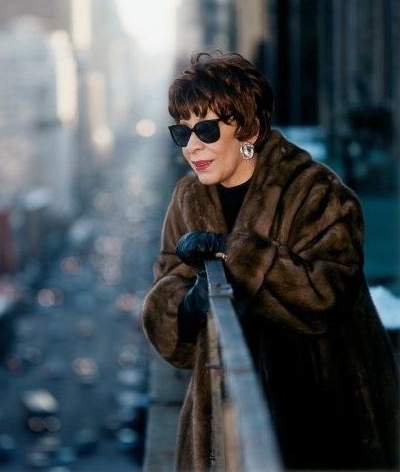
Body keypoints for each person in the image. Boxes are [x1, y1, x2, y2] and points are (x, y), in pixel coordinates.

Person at [142, 51, 399, 470]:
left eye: (205, 129)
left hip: (325, 426)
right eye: (181, 132)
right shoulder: (188, 199)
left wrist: (234, 251)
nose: (192, 146)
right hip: (223, 431)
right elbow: (169, 329)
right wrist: (189, 305)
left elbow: (323, 297)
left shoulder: (317, 192)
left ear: (249, 128)